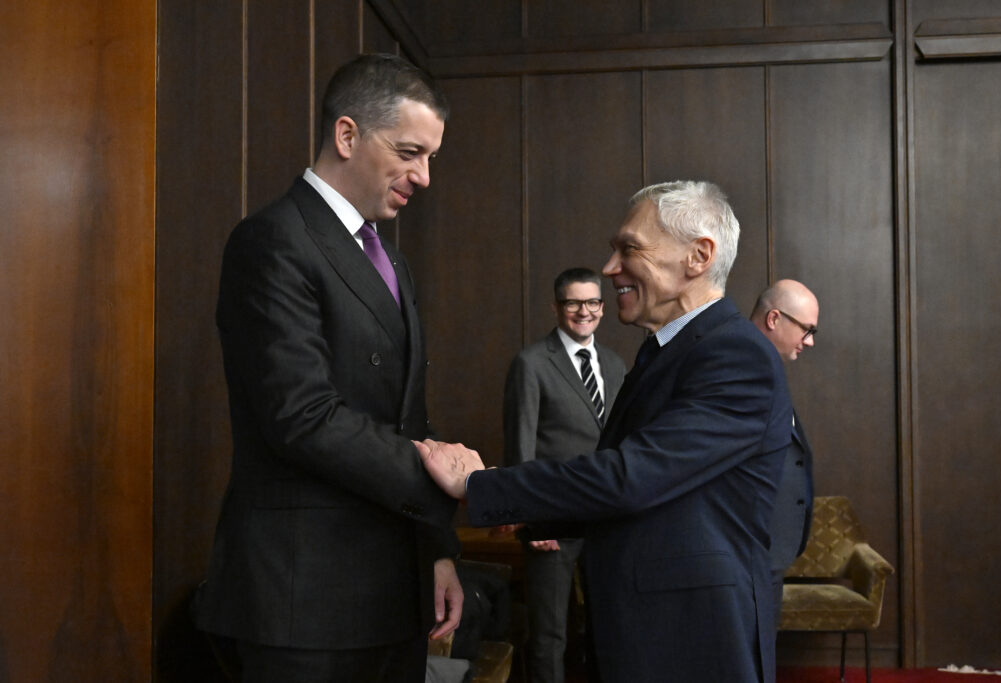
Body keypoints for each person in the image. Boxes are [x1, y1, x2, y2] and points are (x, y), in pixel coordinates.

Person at [416, 180, 793, 683]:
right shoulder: (669, 351)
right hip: (650, 628)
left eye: (629, 249)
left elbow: (630, 477)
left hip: (692, 639)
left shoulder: (735, 354)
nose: (611, 267)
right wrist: (523, 512)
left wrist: (479, 485)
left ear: (698, 256)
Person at [194, 54, 463, 683]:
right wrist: (448, 478)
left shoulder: (390, 261)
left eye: (431, 157)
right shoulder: (272, 241)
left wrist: (436, 551)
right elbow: (302, 416)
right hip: (304, 600)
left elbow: (406, 417)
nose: (424, 177)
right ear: (347, 135)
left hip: (394, 594)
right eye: (410, 152)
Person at [503, 267, 626, 683]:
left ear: (602, 307)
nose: (583, 311)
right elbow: (520, 445)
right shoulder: (532, 363)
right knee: (549, 633)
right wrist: (532, 516)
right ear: (556, 307)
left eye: (592, 302)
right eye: (573, 302)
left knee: (607, 629)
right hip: (551, 521)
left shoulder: (614, 364)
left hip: (605, 520)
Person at [750, 279, 819, 623]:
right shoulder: (740, 369)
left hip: (768, 553)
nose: (809, 341)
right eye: (807, 330)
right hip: (749, 552)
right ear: (774, 318)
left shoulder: (768, 369)